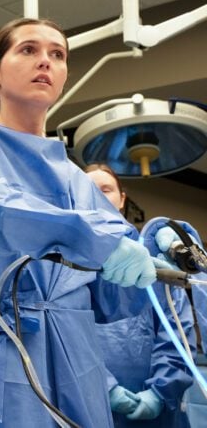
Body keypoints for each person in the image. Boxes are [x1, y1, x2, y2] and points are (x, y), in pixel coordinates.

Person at [0, 18, 165, 428]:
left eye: (58, 55)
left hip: (79, 359)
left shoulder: (74, 179)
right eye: (29, 50)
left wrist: (154, 256)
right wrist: (81, 235)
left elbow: (114, 300)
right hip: (5, 347)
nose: (45, 62)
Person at [86, 163, 196, 427]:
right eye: (89, 191)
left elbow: (178, 330)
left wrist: (160, 393)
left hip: (161, 411)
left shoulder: (152, 260)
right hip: (91, 404)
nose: (99, 197)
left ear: (122, 199)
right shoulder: (68, 265)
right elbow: (65, 338)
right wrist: (104, 387)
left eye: (106, 189)